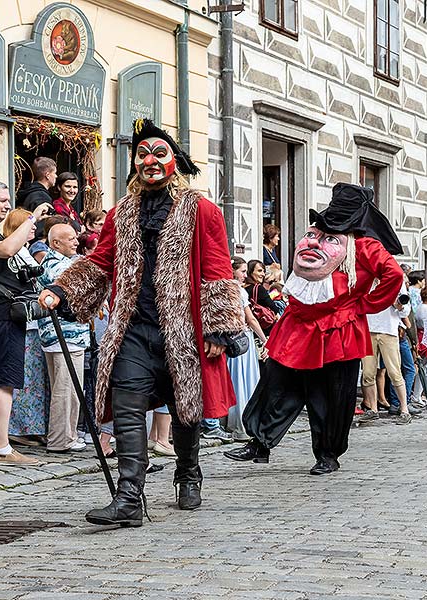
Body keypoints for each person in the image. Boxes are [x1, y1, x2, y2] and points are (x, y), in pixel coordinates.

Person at [38, 119, 244, 527]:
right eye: (143, 154)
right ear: (134, 163)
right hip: (133, 328)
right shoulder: (122, 212)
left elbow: (218, 269)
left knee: (185, 410)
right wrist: (62, 290)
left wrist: (219, 327)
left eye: (159, 153)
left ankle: (188, 471)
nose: (150, 160)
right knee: (128, 405)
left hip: (183, 329)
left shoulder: (202, 210)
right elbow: (101, 261)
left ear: (174, 162)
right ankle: (129, 496)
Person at [224, 182, 404, 475]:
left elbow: (393, 274)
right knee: (276, 381)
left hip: (338, 329)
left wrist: (365, 304)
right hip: (298, 323)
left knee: (329, 395)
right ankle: (260, 441)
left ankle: (328, 454)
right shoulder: (316, 236)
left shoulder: (365, 246)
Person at [0, 182, 52, 467]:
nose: (6, 206)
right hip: (1, 314)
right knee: (4, 383)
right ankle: (3, 449)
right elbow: (4, 249)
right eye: (1, 200)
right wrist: (31, 218)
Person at [37, 223, 89, 452]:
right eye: (70, 239)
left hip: (70, 335)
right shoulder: (55, 264)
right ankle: (60, 439)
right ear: (56, 243)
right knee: (65, 389)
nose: (76, 242)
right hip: (64, 335)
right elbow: (77, 288)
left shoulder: (68, 262)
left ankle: (69, 434)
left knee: (71, 388)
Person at [1, 209, 50, 448]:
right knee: (24, 379)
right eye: (28, 224)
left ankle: (32, 426)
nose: (34, 227)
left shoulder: (25, 252)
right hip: (23, 319)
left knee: (33, 379)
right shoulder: (15, 253)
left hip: (33, 321)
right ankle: (18, 427)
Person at [358, 284, 413, 424]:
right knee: (368, 373)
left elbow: (406, 310)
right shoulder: (367, 278)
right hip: (368, 329)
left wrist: (399, 306)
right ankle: (373, 409)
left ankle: (404, 410)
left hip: (388, 330)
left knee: (394, 372)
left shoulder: (395, 279)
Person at [227, 257, 268, 441]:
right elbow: (250, 319)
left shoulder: (225, 289)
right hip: (242, 339)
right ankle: (243, 423)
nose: (245, 276)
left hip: (231, 339)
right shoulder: (238, 291)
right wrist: (264, 339)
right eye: (242, 271)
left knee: (235, 379)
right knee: (244, 380)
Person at [245, 259, 279, 336]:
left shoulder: (242, 288)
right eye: (259, 271)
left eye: (263, 271)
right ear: (250, 272)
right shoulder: (259, 288)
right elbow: (274, 308)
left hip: (248, 328)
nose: (263, 274)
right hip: (262, 329)